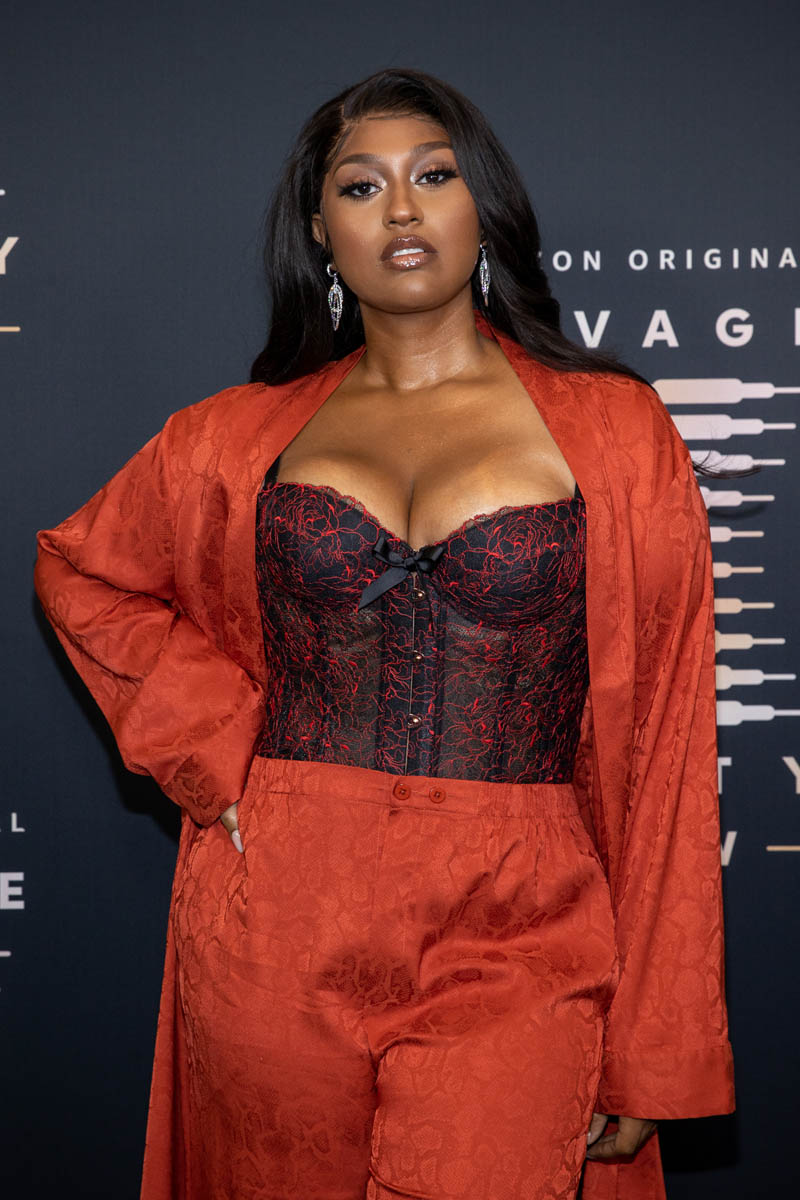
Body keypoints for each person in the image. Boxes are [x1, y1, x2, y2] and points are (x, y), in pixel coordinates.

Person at [35, 67, 734, 1200]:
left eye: (433, 176)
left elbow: (665, 748)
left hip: (522, 920)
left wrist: (656, 1043)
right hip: (278, 916)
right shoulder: (233, 438)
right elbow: (81, 569)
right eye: (361, 187)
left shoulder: (616, 431)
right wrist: (212, 749)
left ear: (482, 205)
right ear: (321, 231)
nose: (401, 208)